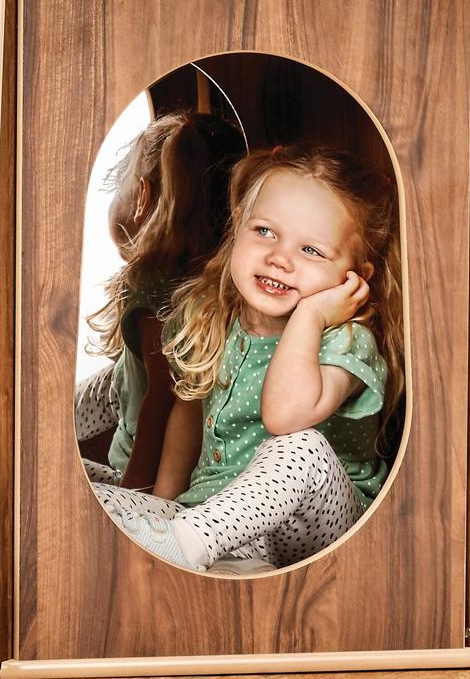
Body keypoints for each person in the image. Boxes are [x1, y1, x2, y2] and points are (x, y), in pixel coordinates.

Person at [91, 143, 403, 570]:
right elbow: (188, 412)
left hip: (313, 531)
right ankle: (185, 543)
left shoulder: (345, 340)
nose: (279, 259)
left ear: (355, 277)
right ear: (237, 225)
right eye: (265, 232)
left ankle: (189, 542)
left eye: (311, 251)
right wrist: (164, 507)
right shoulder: (215, 318)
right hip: (210, 518)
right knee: (94, 501)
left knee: (301, 446)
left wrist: (311, 315)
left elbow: (284, 417)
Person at [74, 109, 245, 497]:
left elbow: (160, 401)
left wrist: (135, 497)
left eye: (119, 185)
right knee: (105, 384)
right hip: (188, 464)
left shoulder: (148, 281)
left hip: (147, 473)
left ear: (142, 197)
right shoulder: (216, 280)